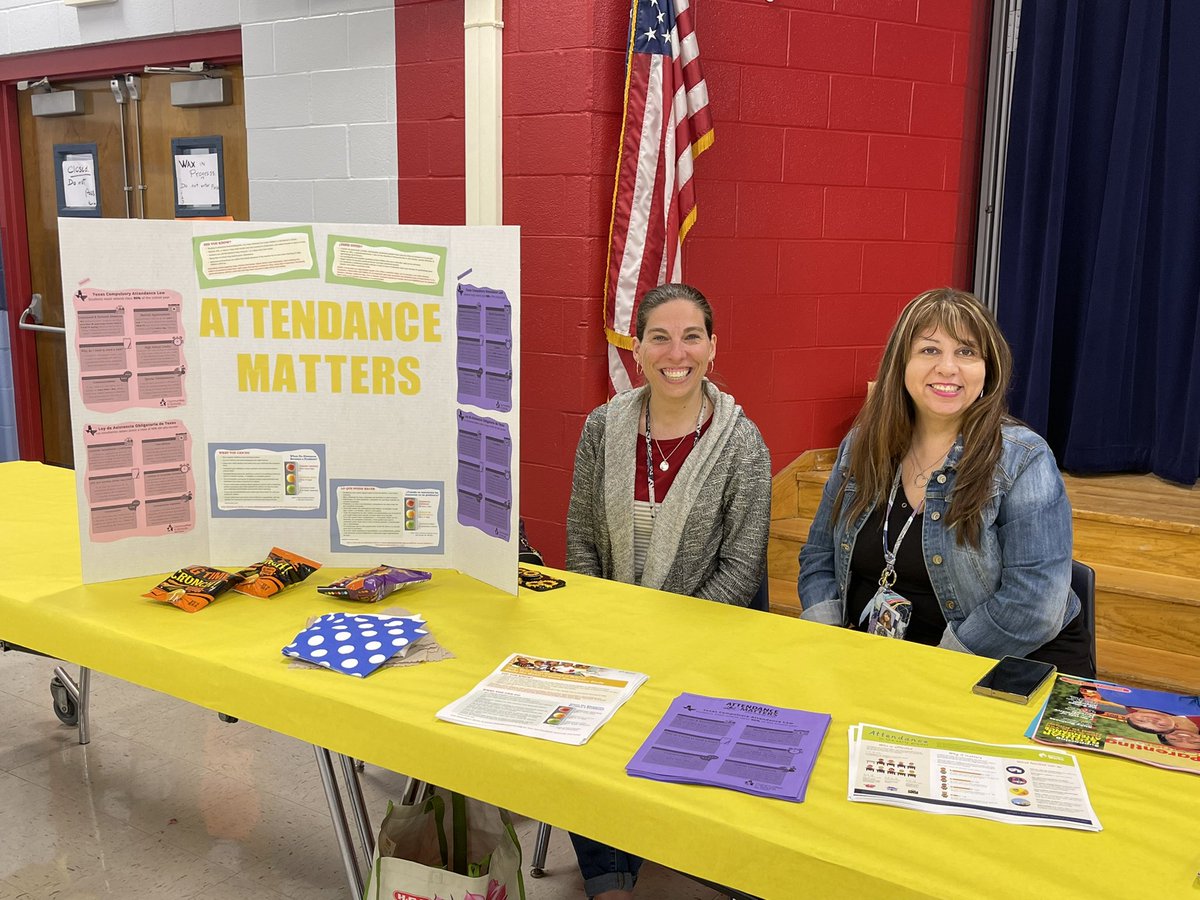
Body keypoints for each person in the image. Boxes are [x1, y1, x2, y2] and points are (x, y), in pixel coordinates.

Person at [565, 282, 771, 899]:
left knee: (665, 716)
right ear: (638, 348)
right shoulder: (603, 427)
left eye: (690, 336)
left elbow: (741, 570)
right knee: (584, 718)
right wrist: (606, 624)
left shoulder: (743, 444)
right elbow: (580, 540)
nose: (674, 352)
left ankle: (676, 849)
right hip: (611, 632)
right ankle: (608, 877)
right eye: (659, 336)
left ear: (712, 348)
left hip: (705, 643)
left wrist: (663, 639)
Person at [798, 288, 1092, 676]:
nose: (948, 368)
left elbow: (1035, 604)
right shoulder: (862, 445)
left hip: (1008, 666)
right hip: (883, 665)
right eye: (930, 350)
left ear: (988, 370)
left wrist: (932, 667)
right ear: (900, 365)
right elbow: (818, 558)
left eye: (966, 352)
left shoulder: (1023, 458)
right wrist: (832, 641)